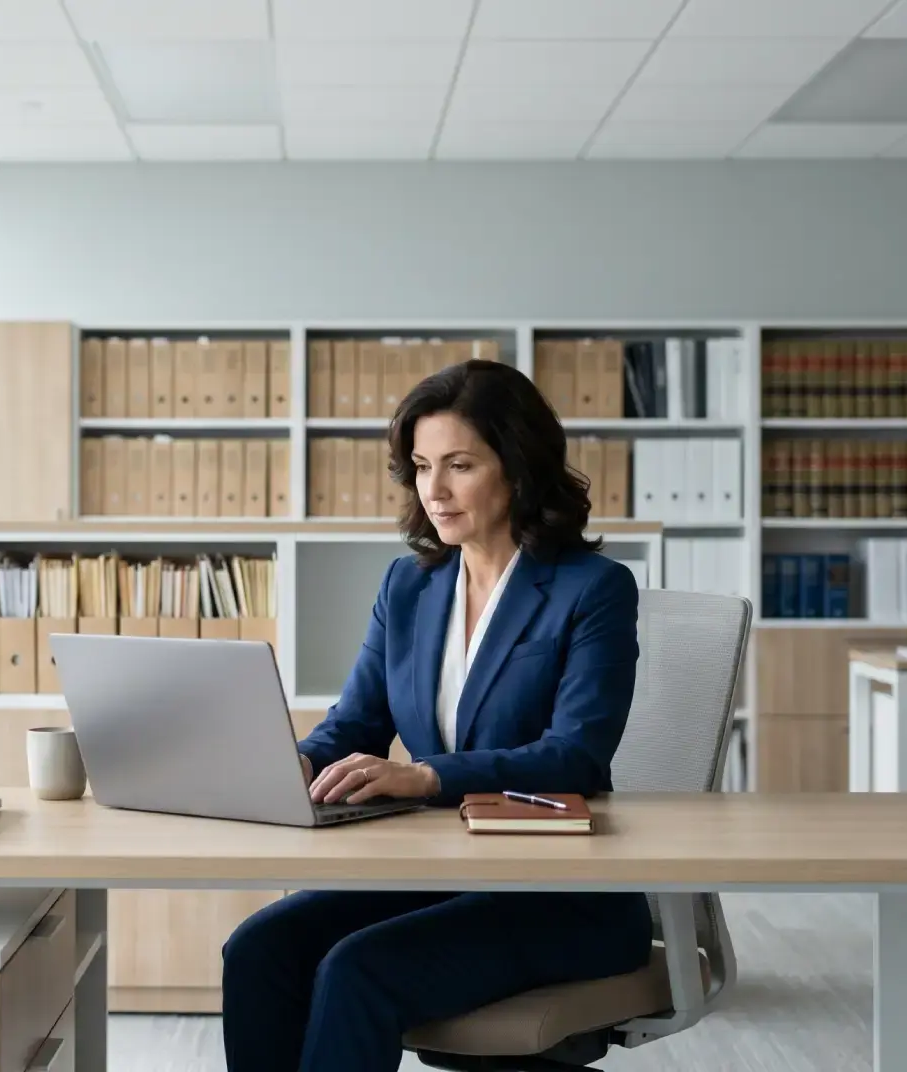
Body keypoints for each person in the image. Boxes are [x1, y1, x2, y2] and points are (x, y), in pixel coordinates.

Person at [221, 359, 651, 1072]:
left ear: (518, 468)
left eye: (460, 465)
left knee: (358, 969)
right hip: (439, 872)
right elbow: (353, 725)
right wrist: (291, 763)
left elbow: (574, 756)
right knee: (259, 949)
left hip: (563, 896)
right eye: (421, 466)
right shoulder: (410, 586)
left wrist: (423, 778)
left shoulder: (593, 590)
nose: (436, 490)